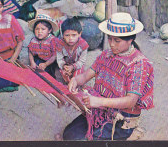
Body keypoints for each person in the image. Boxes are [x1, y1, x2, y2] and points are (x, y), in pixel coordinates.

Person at [61, 12, 154, 140]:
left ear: (130, 40)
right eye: (109, 38)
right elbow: (86, 75)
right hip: (101, 110)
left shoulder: (139, 64)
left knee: (79, 140)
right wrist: (75, 80)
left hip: (121, 118)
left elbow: (131, 100)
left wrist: (99, 101)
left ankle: (130, 133)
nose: (111, 44)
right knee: (69, 134)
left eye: (117, 40)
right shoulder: (106, 55)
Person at [56, 17, 89, 84]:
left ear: (80, 34)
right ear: (62, 35)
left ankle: (76, 86)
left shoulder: (83, 45)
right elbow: (59, 59)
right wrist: (64, 66)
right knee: (59, 73)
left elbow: (81, 61)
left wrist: (73, 67)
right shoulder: (60, 44)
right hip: (66, 65)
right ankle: (65, 85)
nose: (70, 38)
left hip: (77, 66)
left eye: (74, 35)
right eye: (67, 35)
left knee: (78, 76)